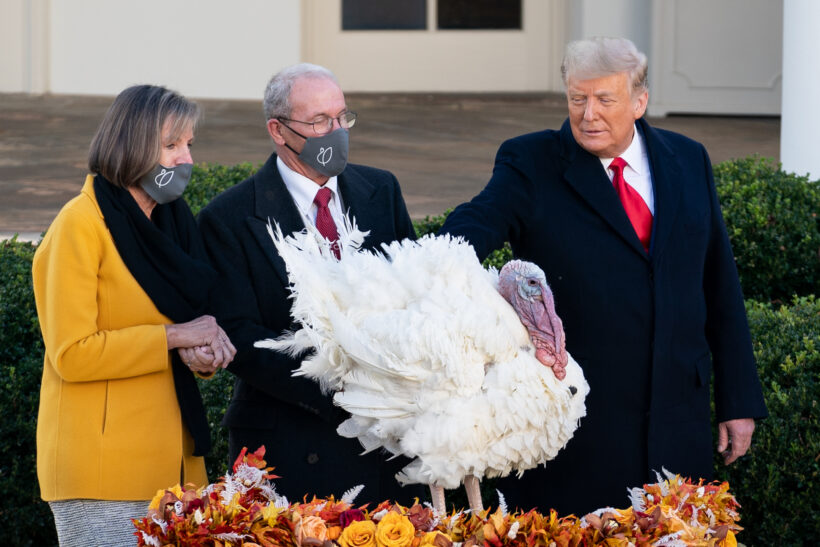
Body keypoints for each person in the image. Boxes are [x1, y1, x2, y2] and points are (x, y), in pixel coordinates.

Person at [439, 37, 767, 515]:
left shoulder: (688, 158)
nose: (588, 114)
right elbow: (479, 220)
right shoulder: (530, 162)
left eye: (604, 100)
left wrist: (738, 400)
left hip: (679, 421)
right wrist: (439, 260)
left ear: (640, 101)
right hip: (578, 425)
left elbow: (719, 286)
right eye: (577, 98)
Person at [198, 63, 422, 503]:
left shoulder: (382, 190)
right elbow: (238, 335)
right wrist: (344, 381)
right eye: (320, 122)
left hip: (385, 442)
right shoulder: (229, 217)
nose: (336, 132)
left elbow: (415, 289)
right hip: (290, 439)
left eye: (342, 118)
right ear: (278, 131)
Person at [32, 84, 236, 546]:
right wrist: (176, 335)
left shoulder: (171, 223)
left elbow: (178, 334)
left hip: (178, 466)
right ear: (131, 146)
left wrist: (199, 355)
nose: (186, 159)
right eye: (171, 145)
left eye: (189, 144)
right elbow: (72, 354)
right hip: (102, 469)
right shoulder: (79, 224)